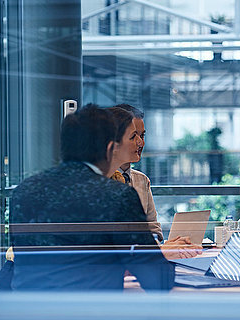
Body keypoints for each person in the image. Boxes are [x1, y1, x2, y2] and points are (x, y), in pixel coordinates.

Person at [10, 104, 175, 291]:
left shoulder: (24, 191)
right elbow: (157, 279)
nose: (139, 142)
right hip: (89, 311)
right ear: (110, 148)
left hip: (25, 311)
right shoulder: (116, 196)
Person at [108, 104, 200, 259]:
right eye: (133, 136)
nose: (141, 143)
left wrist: (158, 246)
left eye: (142, 136)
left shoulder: (142, 180)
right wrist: (156, 251)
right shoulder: (96, 184)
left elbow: (153, 230)